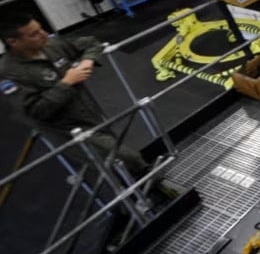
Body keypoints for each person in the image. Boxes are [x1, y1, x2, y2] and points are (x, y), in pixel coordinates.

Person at [0, 14, 152, 180]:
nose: (43, 34)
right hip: (70, 130)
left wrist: (87, 61)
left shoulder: (52, 44)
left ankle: (140, 184)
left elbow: (91, 43)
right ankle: (148, 182)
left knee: (117, 159)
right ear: (13, 42)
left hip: (92, 114)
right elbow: (36, 111)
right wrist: (66, 83)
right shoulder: (9, 73)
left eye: (40, 28)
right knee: (128, 158)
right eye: (33, 34)